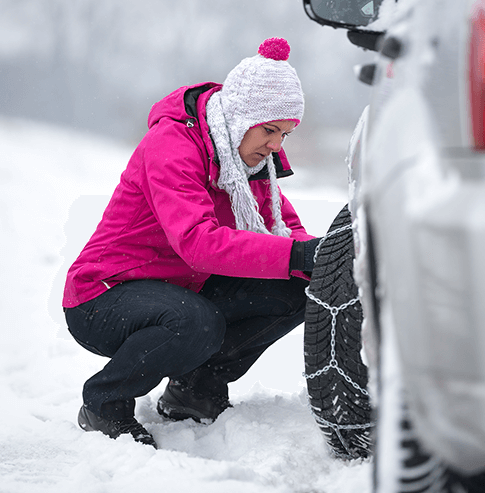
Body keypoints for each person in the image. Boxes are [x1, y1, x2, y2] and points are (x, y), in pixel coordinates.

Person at [62, 38, 321, 449]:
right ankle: (104, 404)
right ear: (239, 119)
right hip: (104, 295)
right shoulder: (172, 146)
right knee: (196, 322)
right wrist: (297, 254)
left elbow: (285, 231)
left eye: (285, 134)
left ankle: (195, 389)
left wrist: (325, 256)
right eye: (270, 130)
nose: (276, 145)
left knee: (302, 285)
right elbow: (197, 242)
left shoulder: (248, 161)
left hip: (183, 291)